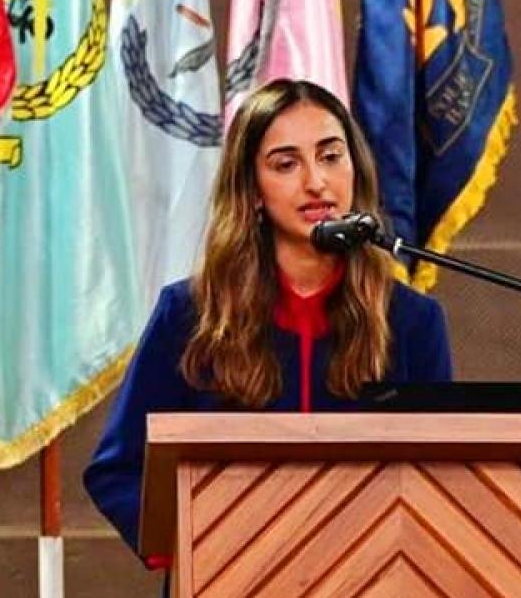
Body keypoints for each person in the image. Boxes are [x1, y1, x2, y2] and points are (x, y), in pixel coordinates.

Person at [83, 78, 453, 562]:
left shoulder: (411, 320)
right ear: (253, 191)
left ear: (355, 171)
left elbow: (444, 476)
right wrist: (200, 549)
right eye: (286, 164)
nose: (315, 181)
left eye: (330, 156)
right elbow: (118, 470)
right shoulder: (190, 314)